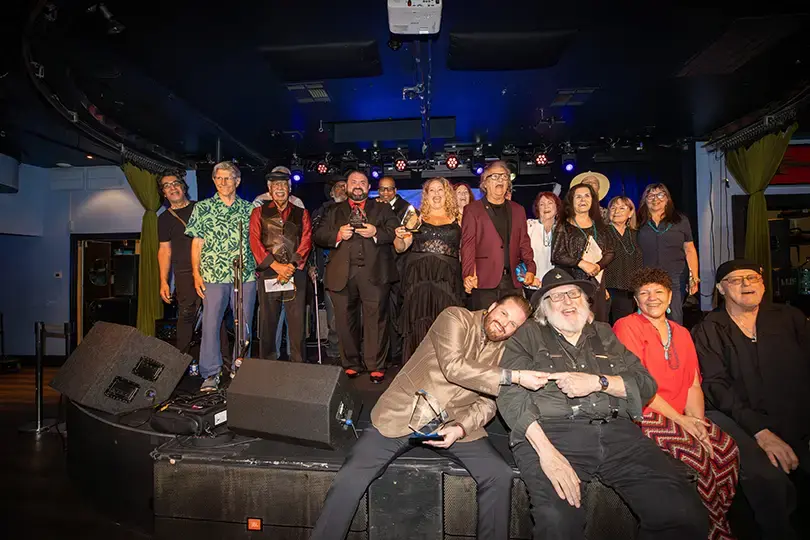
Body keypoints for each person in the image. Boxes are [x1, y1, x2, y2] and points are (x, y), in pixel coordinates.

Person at [311, 296, 547, 540]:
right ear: (493, 307)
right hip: (406, 412)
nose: (504, 324)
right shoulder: (456, 317)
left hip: (453, 422)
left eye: (513, 325)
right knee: (352, 474)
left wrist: (461, 428)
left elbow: (488, 403)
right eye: (504, 314)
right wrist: (514, 376)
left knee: (499, 474)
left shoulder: (506, 351)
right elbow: (453, 368)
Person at [497, 268, 708, 540]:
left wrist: (599, 382)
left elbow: (646, 385)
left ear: (585, 300)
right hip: (552, 435)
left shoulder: (604, 334)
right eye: (556, 297)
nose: (567, 301)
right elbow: (510, 395)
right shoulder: (528, 335)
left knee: (684, 514)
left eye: (573, 294)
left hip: (619, 435)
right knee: (559, 523)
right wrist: (547, 453)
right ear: (544, 308)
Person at [614, 267, 740, 540]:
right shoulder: (626, 326)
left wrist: (698, 423)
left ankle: (716, 520)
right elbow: (638, 387)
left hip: (680, 414)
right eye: (644, 293)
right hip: (644, 413)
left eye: (658, 291)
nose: (652, 297)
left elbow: (693, 384)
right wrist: (682, 421)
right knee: (698, 457)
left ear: (670, 297)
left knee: (726, 451)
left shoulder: (682, 333)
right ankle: (713, 529)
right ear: (635, 300)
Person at [692, 259, 810, 539]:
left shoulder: (790, 318)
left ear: (763, 284)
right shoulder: (709, 328)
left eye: (753, 278)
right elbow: (716, 386)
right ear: (721, 289)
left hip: (798, 418)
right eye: (736, 280)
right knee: (770, 481)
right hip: (743, 421)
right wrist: (761, 432)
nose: (746, 284)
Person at [313, 170, 399, 383]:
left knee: (376, 321)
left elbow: (395, 231)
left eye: (362, 182)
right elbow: (318, 235)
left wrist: (376, 232)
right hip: (342, 274)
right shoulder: (332, 210)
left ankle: (375, 365)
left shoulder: (382, 208)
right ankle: (351, 364)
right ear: (347, 186)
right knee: (344, 321)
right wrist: (337, 235)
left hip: (375, 273)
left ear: (368, 187)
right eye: (353, 182)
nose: (358, 185)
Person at [185, 161, 257, 392]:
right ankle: (211, 373)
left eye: (228, 178)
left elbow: (258, 242)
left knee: (244, 326)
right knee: (210, 324)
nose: (223, 182)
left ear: (238, 181)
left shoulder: (250, 209)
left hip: (245, 276)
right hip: (213, 275)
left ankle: (242, 370)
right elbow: (197, 243)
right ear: (214, 181)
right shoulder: (202, 208)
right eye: (219, 178)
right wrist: (196, 274)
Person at [393, 177, 463, 363]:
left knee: (446, 323)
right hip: (419, 278)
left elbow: (467, 249)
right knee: (418, 322)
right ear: (426, 195)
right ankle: (417, 370)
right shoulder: (416, 217)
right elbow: (401, 247)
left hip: (447, 278)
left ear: (447, 194)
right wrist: (399, 237)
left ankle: (443, 370)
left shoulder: (459, 217)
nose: (436, 194)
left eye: (440, 190)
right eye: (432, 190)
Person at [249, 167, 312, 363]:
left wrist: (291, 265)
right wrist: (276, 266)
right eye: (275, 185)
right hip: (269, 271)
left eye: (283, 185)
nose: (279, 188)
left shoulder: (302, 212)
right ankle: (268, 362)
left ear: (289, 188)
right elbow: (254, 241)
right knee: (268, 320)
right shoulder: (258, 212)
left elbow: (306, 240)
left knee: (297, 320)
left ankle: (298, 363)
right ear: (269, 189)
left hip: (295, 272)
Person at [461, 161, 537, 310]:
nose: (500, 180)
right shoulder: (472, 210)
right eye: (495, 177)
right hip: (484, 280)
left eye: (504, 177)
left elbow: (524, 242)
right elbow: (468, 245)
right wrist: (468, 274)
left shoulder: (518, 209)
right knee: (485, 321)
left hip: (513, 280)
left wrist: (530, 268)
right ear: (485, 183)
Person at [551, 183, 614, 322]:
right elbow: (557, 255)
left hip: (596, 281)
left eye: (587, 196)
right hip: (572, 282)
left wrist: (598, 266)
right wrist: (581, 263)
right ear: (571, 201)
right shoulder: (563, 225)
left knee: (598, 322)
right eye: (578, 197)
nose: (583, 200)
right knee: (575, 322)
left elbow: (610, 252)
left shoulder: (601, 225)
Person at [636, 183, 699, 325]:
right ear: (645, 200)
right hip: (646, 275)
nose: (655, 199)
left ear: (667, 198)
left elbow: (689, 249)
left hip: (675, 275)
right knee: (647, 315)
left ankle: (674, 339)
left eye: (660, 195)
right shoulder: (637, 221)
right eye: (651, 195)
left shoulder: (680, 220)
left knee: (675, 315)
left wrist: (694, 277)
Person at [310, 179, 348, 361]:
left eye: (345, 186)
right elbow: (313, 238)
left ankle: (354, 351)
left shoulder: (357, 210)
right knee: (334, 312)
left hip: (354, 266)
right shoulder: (322, 211)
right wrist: (313, 265)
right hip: (329, 265)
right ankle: (334, 351)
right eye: (338, 186)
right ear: (331, 192)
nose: (343, 189)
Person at [377, 176, 411, 367]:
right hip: (379, 266)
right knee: (382, 311)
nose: (386, 193)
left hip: (400, 266)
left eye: (389, 189)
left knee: (398, 309)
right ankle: (387, 353)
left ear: (395, 190)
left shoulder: (406, 208)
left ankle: (398, 352)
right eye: (382, 189)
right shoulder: (373, 207)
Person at [603, 196, 643, 323]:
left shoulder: (636, 234)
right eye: (613, 208)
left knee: (627, 325)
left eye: (622, 208)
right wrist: (601, 287)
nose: (616, 211)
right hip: (609, 288)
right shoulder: (602, 233)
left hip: (631, 289)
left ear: (630, 213)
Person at [526, 191, 562, 284]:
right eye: (542, 204)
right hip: (532, 281)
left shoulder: (563, 229)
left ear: (557, 207)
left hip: (557, 283)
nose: (546, 207)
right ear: (537, 208)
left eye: (550, 203)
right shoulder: (529, 226)